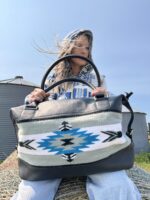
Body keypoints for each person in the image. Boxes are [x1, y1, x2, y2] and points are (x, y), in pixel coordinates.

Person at [11, 29, 141, 200]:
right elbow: (36, 110)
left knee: (116, 186)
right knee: (31, 194)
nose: (83, 50)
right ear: (68, 47)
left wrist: (105, 95)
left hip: (94, 147)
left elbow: (107, 112)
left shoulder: (97, 78)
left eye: (87, 47)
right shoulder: (52, 79)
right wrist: (35, 98)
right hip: (54, 149)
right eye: (78, 45)